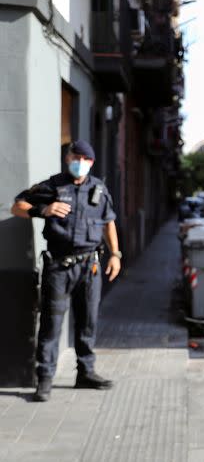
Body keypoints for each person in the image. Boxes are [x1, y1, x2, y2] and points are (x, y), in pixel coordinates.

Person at [11, 140, 121, 402]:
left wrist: (115, 254)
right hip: (60, 266)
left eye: (86, 159)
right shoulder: (53, 186)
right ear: (68, 157)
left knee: (88, 321)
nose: (80, 163)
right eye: (76, 157)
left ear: (92, 163)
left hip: (90, 265)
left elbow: (109, 222)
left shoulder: (99, 189)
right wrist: (43, 209)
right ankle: (45, 379)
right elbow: (17, 206)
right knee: (52, 323)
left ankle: (86, 372)